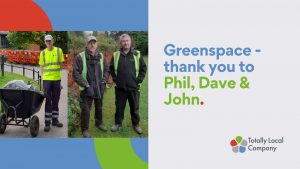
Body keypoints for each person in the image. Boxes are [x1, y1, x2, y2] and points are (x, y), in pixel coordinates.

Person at [110, 34, 147, 135]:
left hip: (134, 88)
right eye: (123, 41)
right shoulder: (116, 55)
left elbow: (143, 69)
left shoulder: (137, 54)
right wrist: (115, 79)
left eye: (127, 41)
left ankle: (136, 124)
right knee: (119, 107)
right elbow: (111, 69)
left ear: (130, 42)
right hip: (120, 88)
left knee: (135, 108)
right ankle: (117, 123)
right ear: (120, 43)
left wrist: (138, 80)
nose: (125, 43)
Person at [73, 36, 109, 138]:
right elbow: (75, 74)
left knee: (99, 107)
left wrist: (104, 81)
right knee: (85, 110)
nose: (92, 45)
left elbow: (107, 70)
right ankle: (85, 130)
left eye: (94, 43)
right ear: (86, 44)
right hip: (87, 89)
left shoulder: (101, 56)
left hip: (98, 87)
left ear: (97, 44)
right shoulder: (80, 57)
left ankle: (99, 123)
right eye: (90, 43)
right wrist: (86, 85)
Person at [39, 34, 64, 132]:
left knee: (56, 100)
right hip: (47, 81)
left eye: (50, 40)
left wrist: (57, 77)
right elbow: (41, 67)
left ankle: (55, 120)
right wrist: (46, 77)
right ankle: (47, 123)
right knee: (48, 100)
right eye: (47, 41)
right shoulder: (43, 53)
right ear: (45, 42)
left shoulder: (59, 51)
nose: (48, 42)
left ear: (53, 41)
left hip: (57, 80)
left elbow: (61, 65)